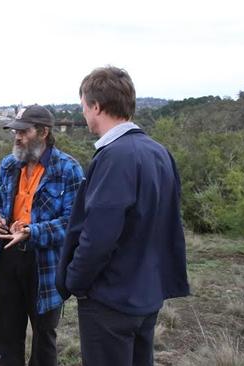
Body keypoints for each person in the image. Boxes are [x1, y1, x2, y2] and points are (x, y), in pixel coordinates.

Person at [56, 66, 190, 366]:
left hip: (110, 300)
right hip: (146, 295)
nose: (84, 115)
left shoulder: (115, 156)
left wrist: (75, 281)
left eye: (84, 107)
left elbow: (98, 237)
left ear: (96, 106)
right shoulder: (158, 152)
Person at [0, 105, 84, 366]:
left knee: (43, 336)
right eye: (15, 131)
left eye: (23, 131)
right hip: (9, 258)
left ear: (43, 132)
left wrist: (32, 232)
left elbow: (75, 222)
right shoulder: (8, 165)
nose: (17, 137)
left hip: (45, 264)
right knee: (5, 334)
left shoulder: (68, 169)